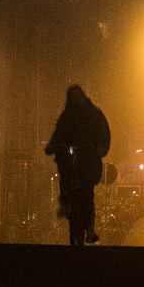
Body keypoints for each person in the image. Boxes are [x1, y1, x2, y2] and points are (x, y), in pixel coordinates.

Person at [45, 84, 111, 246]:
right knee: (64, 174)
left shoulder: (94, 115)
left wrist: (100, 149)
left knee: (87, 192)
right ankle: (65, 201)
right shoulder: (67, 116)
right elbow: (58, 133)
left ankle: (90, 228)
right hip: (70, 159)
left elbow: (104, 133)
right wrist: (52, 146)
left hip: (88, 159)